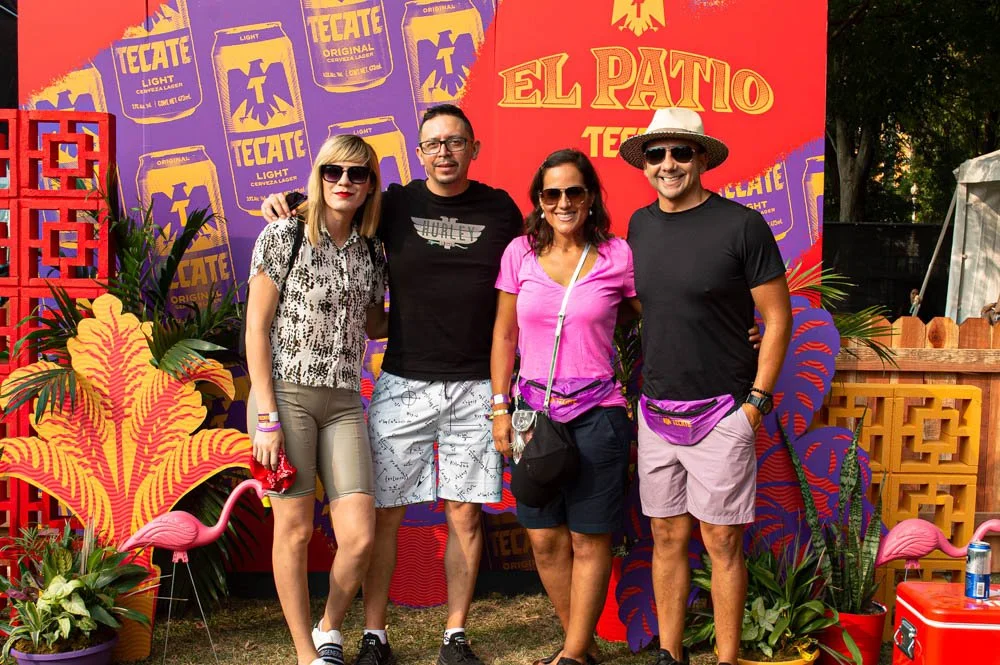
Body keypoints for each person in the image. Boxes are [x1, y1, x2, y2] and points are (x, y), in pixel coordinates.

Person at [262, 104, 523, 665]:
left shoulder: (501, 209)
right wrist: (290, 202)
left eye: (456, 141)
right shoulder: (395, 203)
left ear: (474, 148)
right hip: (400, 380)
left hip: (475, 384)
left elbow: (539, 266)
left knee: (465, 513)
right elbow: (333, 197)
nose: (444, 152)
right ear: (419, 153)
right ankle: (373, 635)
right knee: (383, 515)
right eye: (433, 143)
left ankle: (454, 635)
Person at [618, 108, 793, 665]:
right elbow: (648, 305)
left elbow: (778, 318)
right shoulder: (638, 226)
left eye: (680, 152)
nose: (668, 164)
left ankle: (726, 658)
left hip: (724, 411)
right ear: (644, 164)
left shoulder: (742, 226)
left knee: (721, 542)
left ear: (701, 159)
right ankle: (670, 654)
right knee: (666, 538)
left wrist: (755, 405)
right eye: (656, 154)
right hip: (656, 411)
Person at [490, 149, 636, 665]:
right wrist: (499, 407)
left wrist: (739, 332)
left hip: (599, 412)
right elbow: (505, 333)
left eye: (574, 191)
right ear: (539, 201)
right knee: (544, 538)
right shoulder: (519, 255)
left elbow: (663, 316)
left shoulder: (619, 256)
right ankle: (582, 645)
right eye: (552, 194)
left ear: (591, 196)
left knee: (589, 538)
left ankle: (573, 654)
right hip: (532, 414)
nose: (564, 202)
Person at [246, 134, 386, 665]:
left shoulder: (373, 249)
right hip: (286, 398)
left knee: (358, 537)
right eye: (333, 172)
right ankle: (307, 655)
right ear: (318, 176)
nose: (344, 182)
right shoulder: (284, 235)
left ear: (371, 184)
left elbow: (375, 322)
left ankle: (329, 628)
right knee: (296, 527)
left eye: (357, 174)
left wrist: (443, 314)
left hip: (346, 400)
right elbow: (255, 330)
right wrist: (266, 417)